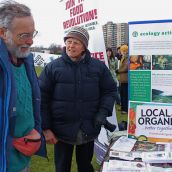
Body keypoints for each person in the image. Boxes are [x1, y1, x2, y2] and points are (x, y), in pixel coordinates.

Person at [39, 26, 116, 172]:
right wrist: (46, 128)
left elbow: (110, 90)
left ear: (84, 47)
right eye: (68, 41)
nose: (70, 45)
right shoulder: (52, 68)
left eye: (76, 42)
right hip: (61, 130)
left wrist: (103, 112)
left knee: (85, 167)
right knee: (61, 168)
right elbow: (41, 98)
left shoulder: (98, 67)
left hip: (88, 127)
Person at [0, 1, 46, 172]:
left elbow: (33, 100)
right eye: (24, 35)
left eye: (33, 34)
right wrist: (11, 140)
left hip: (24, 157)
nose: (31, 41)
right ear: (3, 33)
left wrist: (36, 130)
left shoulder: (26, 59)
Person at [116, 44, 128, 114]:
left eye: (121, 50)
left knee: (125, 95)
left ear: (124, 51)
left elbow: (126, 68)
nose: (120, 52)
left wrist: (118, 71)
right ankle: (123, 107)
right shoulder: (123, 57)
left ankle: (125, 109)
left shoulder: (127, 58)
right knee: (122, 94)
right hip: (122, 79)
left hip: (125, 80)